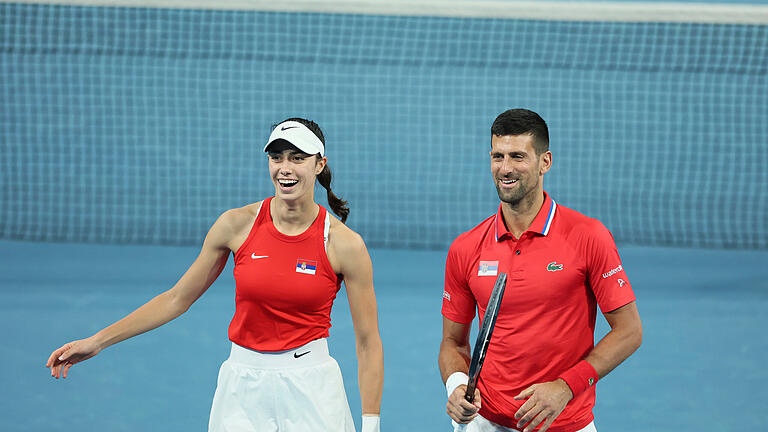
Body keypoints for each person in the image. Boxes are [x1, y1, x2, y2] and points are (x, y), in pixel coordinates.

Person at [46, 117, 384, 432]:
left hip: (312, 385)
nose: (284, 168)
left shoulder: (344, 244)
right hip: (242, 387)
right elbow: (177, 299)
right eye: (277, 157)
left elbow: (368, 344)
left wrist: (371, 426)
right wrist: (97, 341)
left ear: (319, 164)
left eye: (297, 158)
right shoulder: (235, 225)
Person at [439, 109, 642, 432]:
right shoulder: (466, 248)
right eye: (497, 156)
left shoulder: (588, 236)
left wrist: (566, 386)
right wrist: (456, 385)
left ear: (545, 162)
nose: (505, 169)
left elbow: (629, 331)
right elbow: (453, 342)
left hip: (564, 423)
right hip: (485, 422)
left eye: (518, 157)